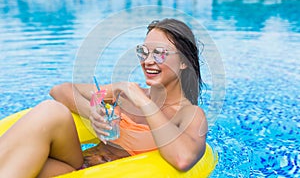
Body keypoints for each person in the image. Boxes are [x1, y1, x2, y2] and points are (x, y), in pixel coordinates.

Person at [0, 18, 208, 177]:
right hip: (78, 167)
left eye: (160, 53)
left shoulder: (189, 114)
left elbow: (183, 159)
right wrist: (91, 109)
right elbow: (61, 90)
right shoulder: (122, 93)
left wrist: (144, 102)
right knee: (52, 110)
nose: (148, 61)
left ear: (183, 62)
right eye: (143, 52)